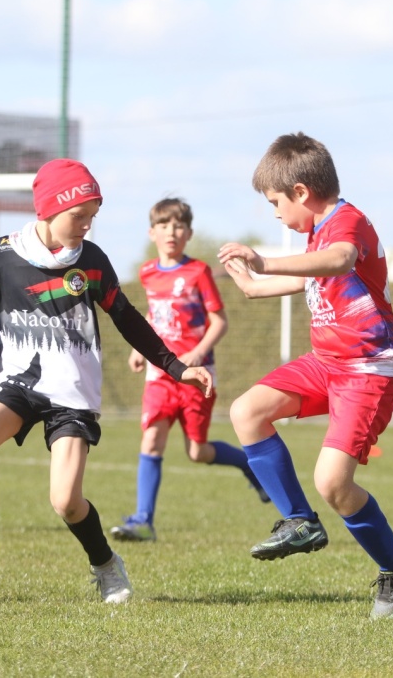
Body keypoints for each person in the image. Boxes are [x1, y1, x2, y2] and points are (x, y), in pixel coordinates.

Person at [0, 158, 213, 603]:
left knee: (66, 502)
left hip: (72, 395)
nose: (87, 225)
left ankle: (106, 565)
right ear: (49, 209)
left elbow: (127, 318)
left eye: (93, 216)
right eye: (80, 215)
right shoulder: (0, 255)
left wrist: (176, 367)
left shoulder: (91, 261)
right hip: (19, 385)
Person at [216, 132, 393, 620]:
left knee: (332, 482)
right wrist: (254, 286)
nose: (275, 213)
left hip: (368, 368)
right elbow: (316, 274)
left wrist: (265, 260)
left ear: (302, 192)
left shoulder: (346, 222)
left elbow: (340, 260)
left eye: (275, 202)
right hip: (326, 362)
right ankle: (299, 521)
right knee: (247, 412)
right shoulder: (318, 233)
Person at [110, 198, 268, 543]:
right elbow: (154, 315)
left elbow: (219, 321)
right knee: (152, 439)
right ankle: (143, 521)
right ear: (152, 232)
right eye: (164, 225)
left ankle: (246, 464)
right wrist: (139, 348)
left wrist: (197, 353)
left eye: (179, 226)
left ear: (189, 233)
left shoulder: (198, 272)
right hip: (161, 373)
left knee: (197, 452)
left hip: (198, 376)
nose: (172, 232)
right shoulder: (147, 272)